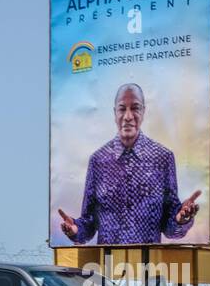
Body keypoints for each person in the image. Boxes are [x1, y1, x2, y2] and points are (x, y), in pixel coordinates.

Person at [57, 83, 201, 245]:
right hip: (107, 265)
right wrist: (75, 229)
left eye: (135, 108)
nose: (128, 116)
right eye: (122, 109)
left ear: (143, 112)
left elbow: (169, 228)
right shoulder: (98, 160)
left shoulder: (163, 158)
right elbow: (89, 224)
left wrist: (181, 219)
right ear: (114, 113)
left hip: (149, 265)